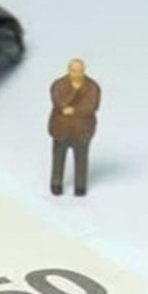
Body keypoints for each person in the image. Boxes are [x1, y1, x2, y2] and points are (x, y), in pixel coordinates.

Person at [48, 58, 101, 196]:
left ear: (83, 71)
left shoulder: (93, 87)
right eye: (73, 70)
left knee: (81, 159)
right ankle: (56, 183)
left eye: (79, 71)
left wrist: (74, 110)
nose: (76, 73)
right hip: (61, 128)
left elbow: (92, 106)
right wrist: (74, 92)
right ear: (68, 70)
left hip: (82, 130)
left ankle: (80, 186)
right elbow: (58, 102)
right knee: (58, 158)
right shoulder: (59, 84)